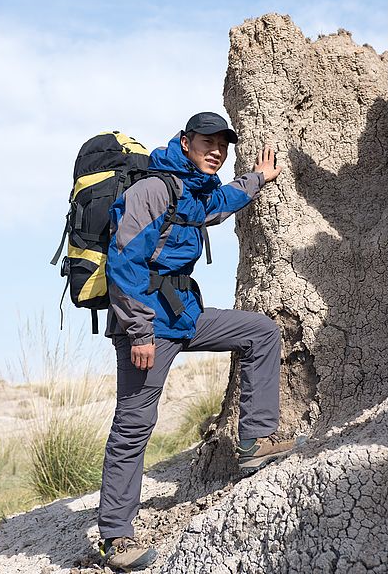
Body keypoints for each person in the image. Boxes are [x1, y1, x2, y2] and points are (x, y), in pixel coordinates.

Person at [97, 112, 296, 571]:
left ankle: (253, 441)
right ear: (185, 142)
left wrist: (258, 179)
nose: (217, 150)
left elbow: (219, 203)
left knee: (260, 331)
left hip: (183, 317)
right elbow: (123, 263)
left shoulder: (190, 190)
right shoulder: (153, 189)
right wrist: (139, 332)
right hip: (148, 330)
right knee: (134, 427)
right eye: (208, 141)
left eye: (223, 144)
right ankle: (115, 538)